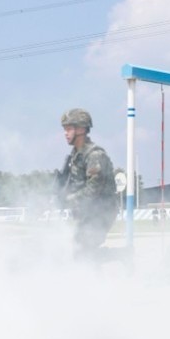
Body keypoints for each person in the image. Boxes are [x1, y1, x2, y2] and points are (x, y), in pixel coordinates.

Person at [58, 108, 118, 262]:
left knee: (83, 251)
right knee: (80, 250)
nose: (65, 133)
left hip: (102, 210)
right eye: (65, 129)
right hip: (89, 211)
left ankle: (122, 255)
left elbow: (94, 188)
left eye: (69, 129)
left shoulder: (94, 155)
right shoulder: (76, 155)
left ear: (81, 129)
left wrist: (70, 199)